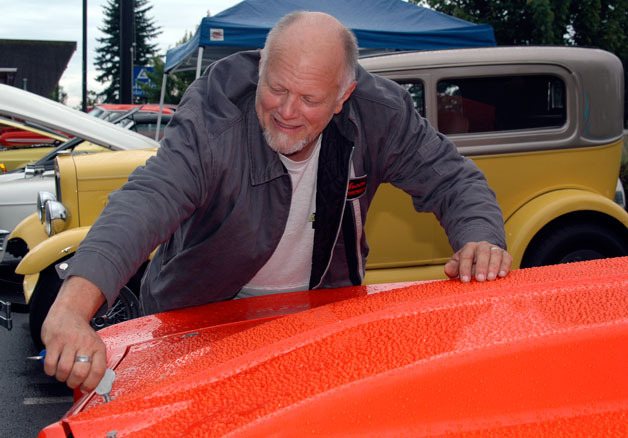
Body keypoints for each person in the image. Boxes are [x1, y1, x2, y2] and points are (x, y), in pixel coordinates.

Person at [41, 11, 512, 392]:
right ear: (261, 67)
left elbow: (453, 179)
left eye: (309, 98)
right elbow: (148, 199)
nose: (287, 112)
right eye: (277, 88)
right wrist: (71, 309)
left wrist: (481, 239)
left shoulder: (380, 113)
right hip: (200, 317)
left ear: (343, 96)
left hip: (318, 317)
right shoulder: (214, 116)